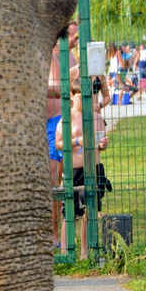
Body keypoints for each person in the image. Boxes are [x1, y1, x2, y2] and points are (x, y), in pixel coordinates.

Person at [56, 81, 111, 260]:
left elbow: (100, 143)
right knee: (71, 213)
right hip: (74, 170)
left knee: (90, 212)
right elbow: (58, 144)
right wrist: (76, 141)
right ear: (72, 96)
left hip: (93, 169)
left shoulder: (96, 117)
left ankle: (85, 254)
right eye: (80, 97)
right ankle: (65, 252)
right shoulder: (67, 117)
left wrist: (103, 145)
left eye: (88, 97)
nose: (84, 101)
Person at [47, 28, 80, 246]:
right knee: (54, 180)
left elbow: (61, 88)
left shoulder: (67, 56)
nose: (75, 39)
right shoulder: (52, 55)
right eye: (73, 35)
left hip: (61, 120)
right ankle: (54, 234)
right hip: (52, 122)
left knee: (61, 179)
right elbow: (56, 87)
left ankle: (60, 234)